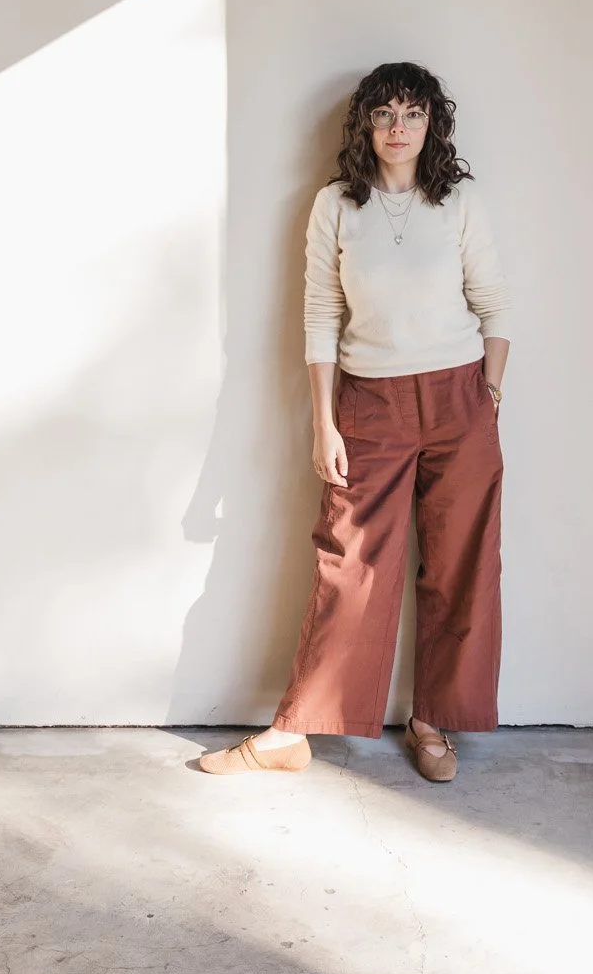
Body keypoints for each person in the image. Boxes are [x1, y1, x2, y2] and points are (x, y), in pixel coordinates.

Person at [200, 61, 511, 782]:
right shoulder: (335, 206)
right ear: (364, 126)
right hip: (368, 401)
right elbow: (319, 317)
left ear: (432, 124)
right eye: (383, 115)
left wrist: (487, 397)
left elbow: (495, 303)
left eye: (411, 114)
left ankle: (432, 722)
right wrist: (323, 423)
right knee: (349, 564)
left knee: (462, 565)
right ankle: (292, 733)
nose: (397, 128)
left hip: (460, 397)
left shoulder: (459, 201)